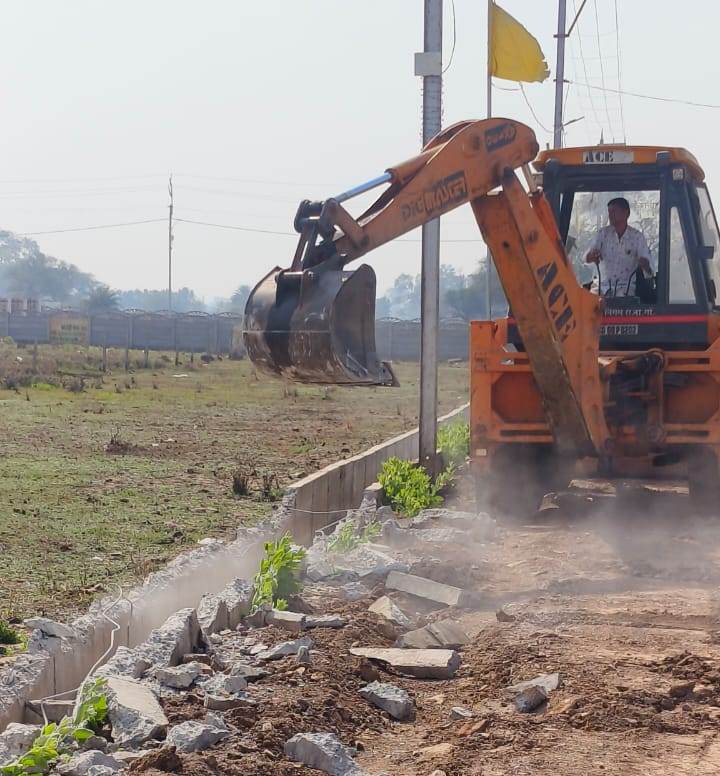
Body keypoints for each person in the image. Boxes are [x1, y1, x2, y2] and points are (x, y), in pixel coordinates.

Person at [585, 197, 654, 296]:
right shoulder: (602, 234)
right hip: (601, 287)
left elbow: (649, 270)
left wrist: (644, 264)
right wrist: (591, 256)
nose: (610, 215)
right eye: (609, 212)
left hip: (626, 288)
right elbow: (587, 258)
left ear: (626, 213)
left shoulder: (637, 237)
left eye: (614, 211)